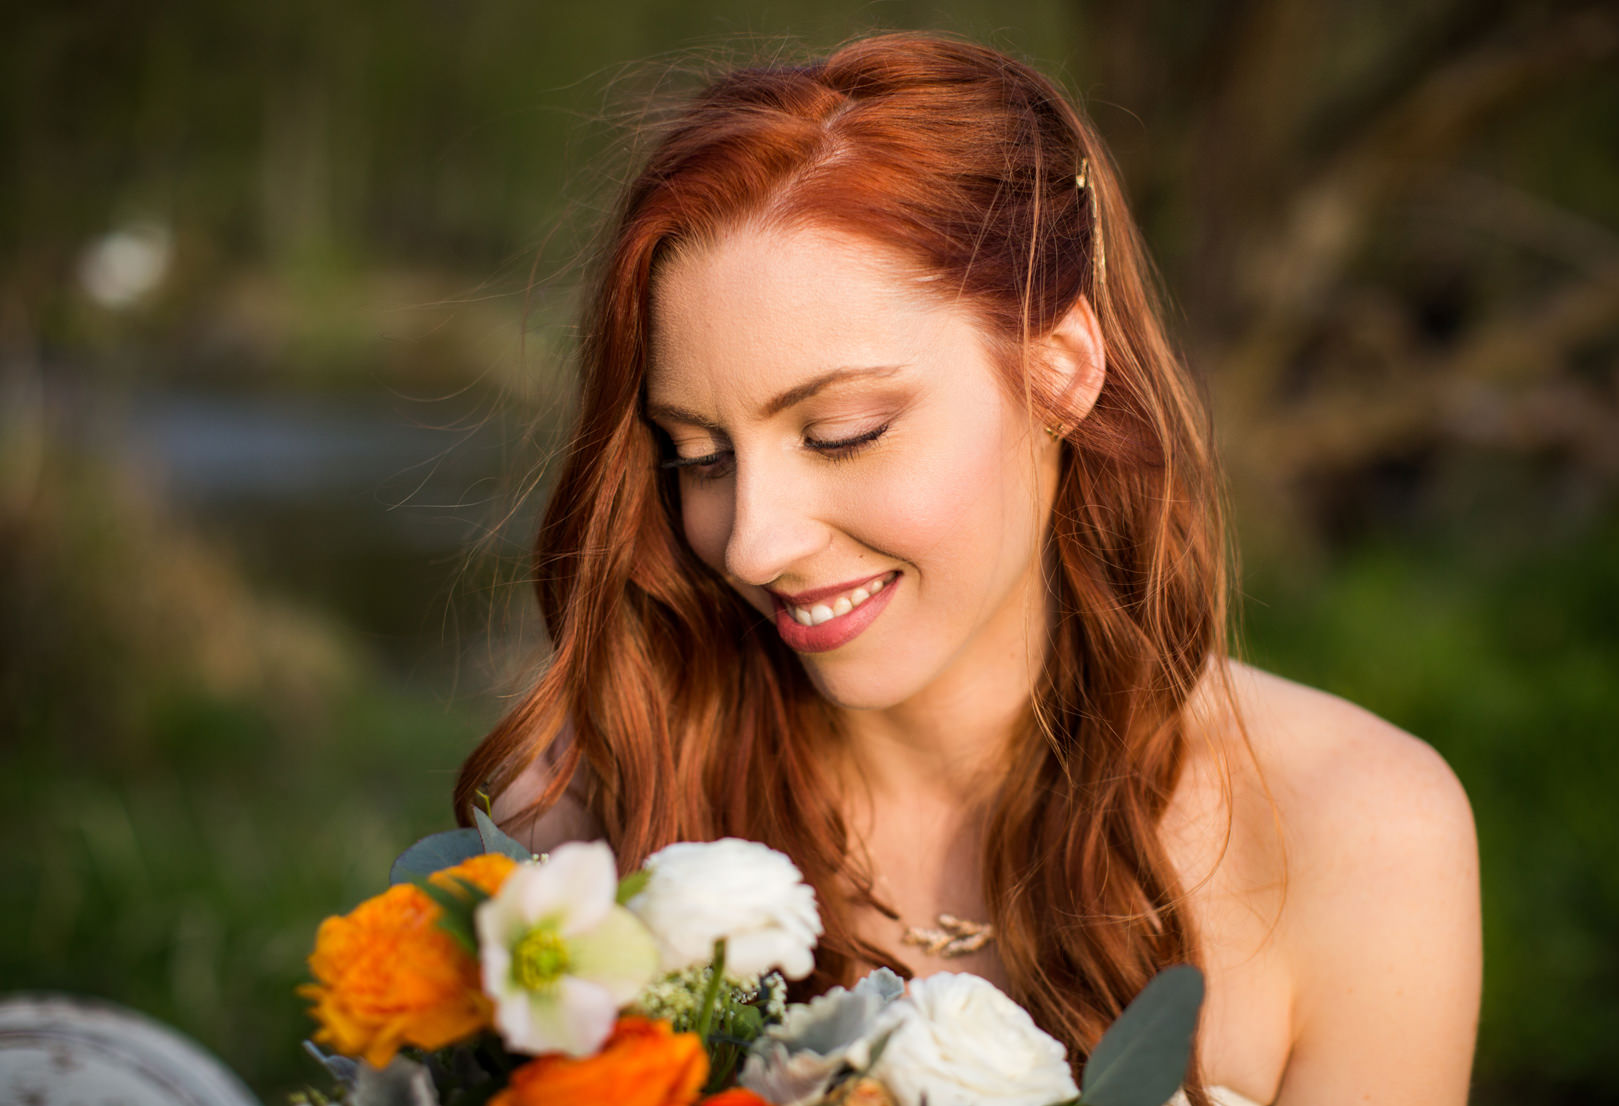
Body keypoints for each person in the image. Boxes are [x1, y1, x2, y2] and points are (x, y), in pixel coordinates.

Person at [453, 32, 1481, 1106]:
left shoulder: (1356, 831)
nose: (751, 542)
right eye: (697, 456)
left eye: (842, 431)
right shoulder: (591, 814)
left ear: (1061, 370)